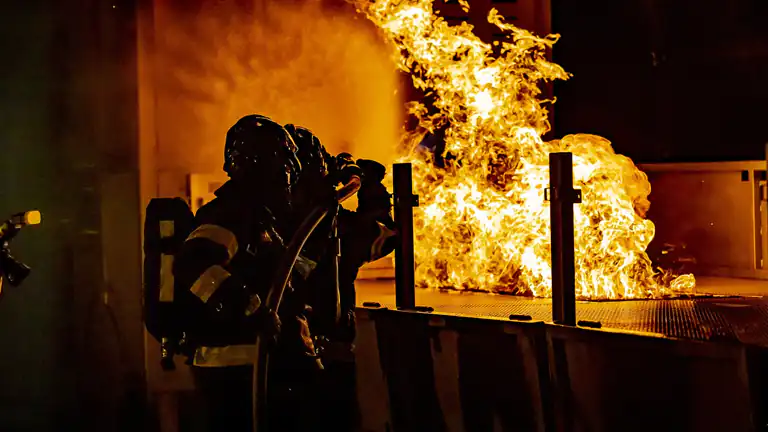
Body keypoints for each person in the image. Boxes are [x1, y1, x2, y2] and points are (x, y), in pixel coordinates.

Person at [173, 114, 321, 432]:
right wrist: (251, 310)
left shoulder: (258, 218)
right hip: (237, 370)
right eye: (284, 161)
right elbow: (192, 264)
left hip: (255, 366)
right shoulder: (231, 214)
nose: (289, 172)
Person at [284, 124, 397, 431]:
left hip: (291, 356)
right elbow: (382, 236)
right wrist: (372, 187)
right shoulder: (328, 225)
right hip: (321, 355)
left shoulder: (276, 221)